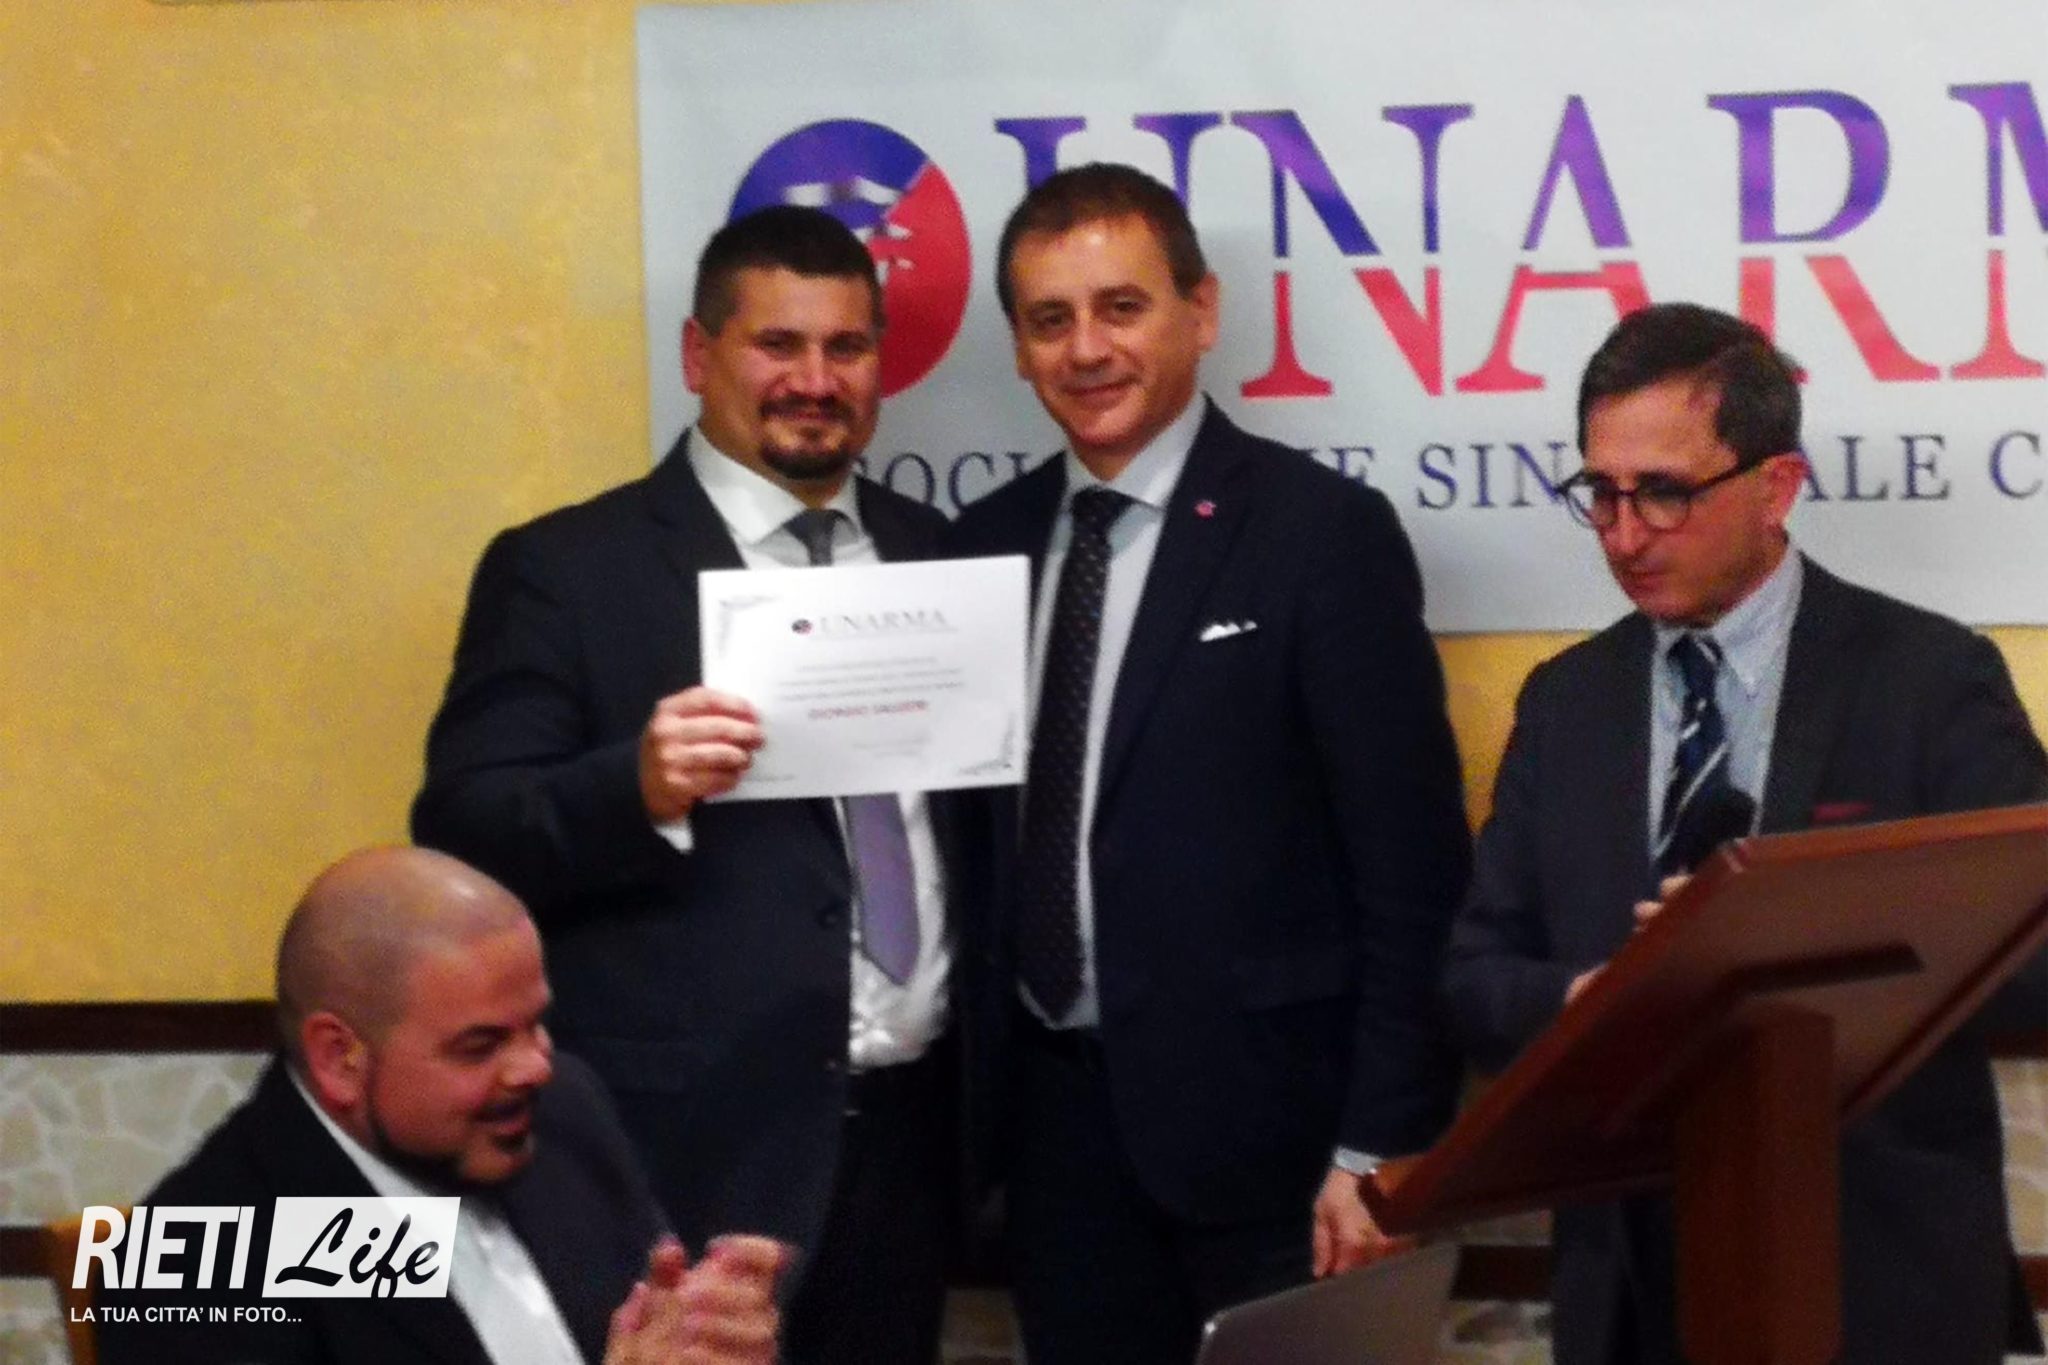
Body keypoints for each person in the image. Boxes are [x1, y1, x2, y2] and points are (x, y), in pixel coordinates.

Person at [1443, 302, 2048, 1365]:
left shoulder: (1928, 680)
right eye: (1600, 493)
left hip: (1877, 1281)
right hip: (1630, 1295)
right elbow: (1472, 977)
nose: (1625, 535)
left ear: (1775, 487)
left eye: (1664, 492)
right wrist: (1591, 1002)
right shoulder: (1567, 702)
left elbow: (2035, 961)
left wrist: (1781, 952)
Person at [411, 205, 957, 1365]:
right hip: (680, 1165)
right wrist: (635, 789)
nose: (815, 380)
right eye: (777, 344)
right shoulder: (566, 571)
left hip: (911, 1155)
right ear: (699, 355)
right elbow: (459, 832)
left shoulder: (936, 554)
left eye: (846, 348)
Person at [948, 162, 1472, 1365]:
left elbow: (1412, 876)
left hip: (1275, 1158)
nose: (1086, 349)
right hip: (1049, 1152)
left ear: (1200, 311)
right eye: (1049, 319)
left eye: (1120, 307)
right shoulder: (980, 549)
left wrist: (1380, 1142)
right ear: (1018, 348)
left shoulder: (1319, 536)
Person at [98, 846, 783, 1365]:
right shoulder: (202, 1262)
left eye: (536, 1024)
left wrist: (713, 1333)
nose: (535, 1065)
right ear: (340, 1058)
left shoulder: (562, 1113)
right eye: (480, 1045)